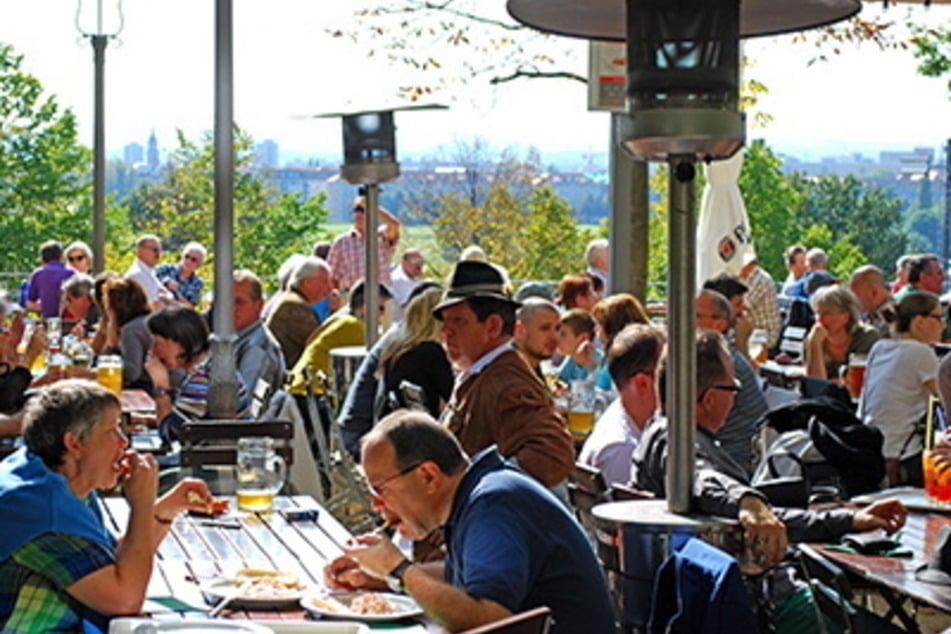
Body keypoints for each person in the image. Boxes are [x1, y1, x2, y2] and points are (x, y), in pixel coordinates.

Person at [324, 410, 617, 634]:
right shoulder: (478, 495)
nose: (376, 505)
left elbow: (490, 619)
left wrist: (399, 570)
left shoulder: (493, 505)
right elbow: (462, 577)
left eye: (380, 489)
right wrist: (376, 577)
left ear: (428, 476)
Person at [632, 330, 908, 567]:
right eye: (733, 388)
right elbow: (697, 475)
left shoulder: (661, 432)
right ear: (710, 399)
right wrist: (747, 502)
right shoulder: (675, 442)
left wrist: (851, 519)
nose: (736, 398)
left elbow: (771, 516)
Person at [0, 380, 218, 631]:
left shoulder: (55, 477)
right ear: (74, 444)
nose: (124, 442)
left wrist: (161, 512)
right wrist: (142, 504)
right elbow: (125, 600)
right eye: (112, 430)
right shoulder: (40, 508)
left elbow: (109, 562)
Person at [434, 261, 574, 489]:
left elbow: (553, 454)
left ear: (492, 327)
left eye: (458, 320)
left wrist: (481, 495)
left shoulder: (508, 382)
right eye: (445, 320)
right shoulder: (486, 373)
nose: (445, 331)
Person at [859, 293, 942, 487]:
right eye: (938, 318)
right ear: (919, 321)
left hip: (872, 448)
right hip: (904, 456)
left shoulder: (880, 347)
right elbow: (946, 398)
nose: (943, 325)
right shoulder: (921, 352)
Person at [145, 306, 251, 443]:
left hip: (214, 459)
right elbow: (186, 420)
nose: (152, 351)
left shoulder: (203, 378)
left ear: (181, 344)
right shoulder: (209, 366)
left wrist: (161, 388)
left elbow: (171, 435)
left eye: (158, 344)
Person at [579, 323, 665, 487]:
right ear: (643, 384)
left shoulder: (622, 414)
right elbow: (634, 511)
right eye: (668, 372)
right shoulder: (623, 450)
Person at [695, 290, 769, 472]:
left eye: (695, 315)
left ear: (718, 324)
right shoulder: (715, 357)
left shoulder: (721, 363)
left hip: (734, 465)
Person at [287, 279, 392, 395]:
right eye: (381, 308)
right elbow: (382, 356)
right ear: (366, 307)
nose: (383, 314)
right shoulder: (354, 326)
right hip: (310, 394)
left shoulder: (342, 320)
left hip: (302, 388)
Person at [376, 285, 453, 420]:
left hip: (395, 430)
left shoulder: (396, 349)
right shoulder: (430, 353)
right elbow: (454, 399)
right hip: (426, 434)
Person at [327, 190, 401, 291]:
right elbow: (332, 276)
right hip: (351, 296)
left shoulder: (382, 236)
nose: (359, 214)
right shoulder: (341, 242)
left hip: (380, 296)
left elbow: (394, 224)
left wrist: (371, 205)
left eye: (363, 210)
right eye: (356, 210)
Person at [265, 256, 332, 368]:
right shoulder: (294, 306)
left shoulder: (292, 300)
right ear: (306, 282)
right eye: (324, 281)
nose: (329, 288)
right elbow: (322, 344)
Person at [804, 285, 879, 381]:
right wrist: (815, 344)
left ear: (846, 317)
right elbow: (815, 384)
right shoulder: (813, 339)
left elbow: (859, 382)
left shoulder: (867, 337)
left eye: (827, 314)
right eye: (817, 313)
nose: (820, 320)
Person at [232, 270, 285, 407]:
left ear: (259, 305)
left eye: (239, 302)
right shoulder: (231, 339)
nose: (231, 308)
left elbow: (246, 406)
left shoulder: (258, 347)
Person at [102, 276, 153, 390]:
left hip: (148, 391)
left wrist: (111, 347)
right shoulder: (150, 320)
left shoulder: (131, 330)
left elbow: (132, 373)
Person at [739, 255, 782, 348]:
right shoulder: (746, 277)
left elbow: (741, 306)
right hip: (753, 331)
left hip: (763, 333)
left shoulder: (759, 280)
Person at [25, 240, 74, 318]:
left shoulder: (38, 274)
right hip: (70, 320)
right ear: (61, 256)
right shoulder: (72, 273)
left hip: (47, 321)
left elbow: (30, 304)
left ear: (42, 258)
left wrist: (45, 307)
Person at [513, 298, 560, 377]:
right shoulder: (508, 376)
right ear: (519, 330)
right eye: (545, 328)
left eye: (557, 328)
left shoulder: (532, 369)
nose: (555, 336)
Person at [125, 235, 173, 308]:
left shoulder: (149, 272)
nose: (158, 254)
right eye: (155, 249)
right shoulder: (138, 274)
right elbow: (155, 306)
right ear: (140, 250)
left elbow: (167, 297)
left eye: (160, 250)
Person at [849, 264, 896, 338]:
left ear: (874, 293)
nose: (852, 300)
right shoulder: (866, 313)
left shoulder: (898, 317)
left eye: (856, 295)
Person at [555, 309, 602, 384]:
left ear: (583, 338)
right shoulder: (571, 358)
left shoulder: (598, 362)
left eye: (563, 334)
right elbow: (560, 380)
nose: (556, 338)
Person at [155, 241, 206, 308]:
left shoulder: (197, 282)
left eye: (193, 260)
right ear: (182, 256)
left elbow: (189, 307)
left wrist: (170, 300)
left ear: (199, 265)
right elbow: (147, 274)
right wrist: (166, 282)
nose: (188, 261)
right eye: (186, 256)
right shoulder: (166, 269)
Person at [390, 248, 425, 322]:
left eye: (421, 262)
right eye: (415, 261)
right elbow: (411, 306)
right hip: (400, 326)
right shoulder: (398, 279)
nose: (419, 265)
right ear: (403, 262)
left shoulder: (414, 279)